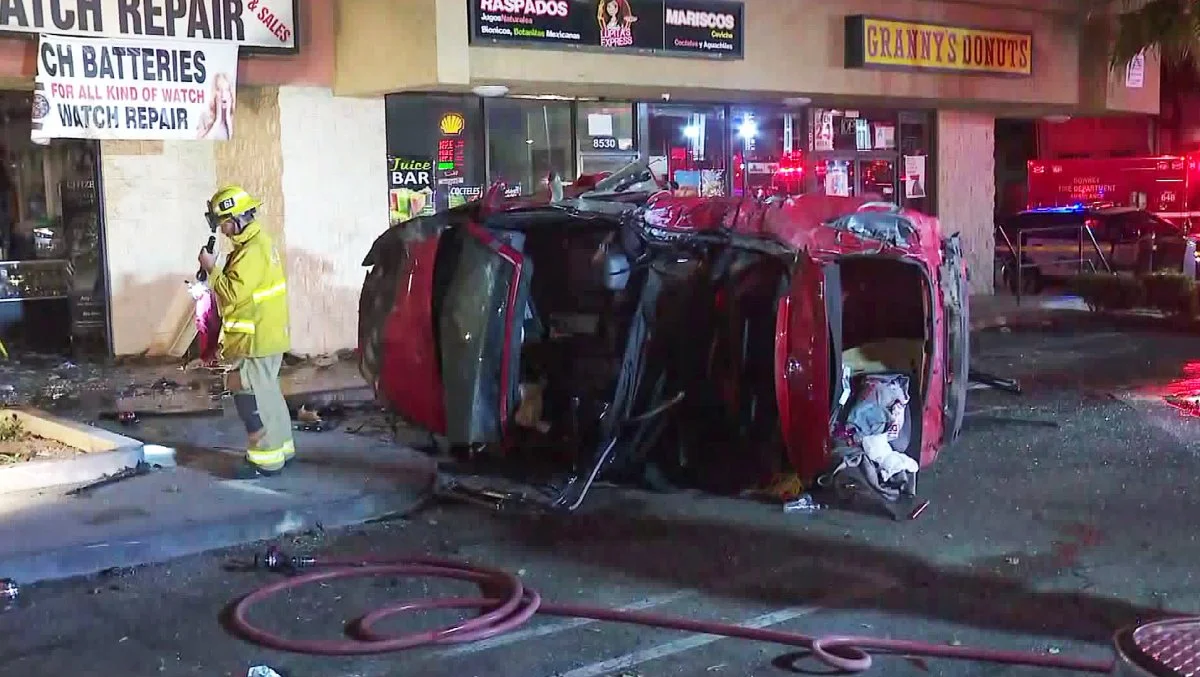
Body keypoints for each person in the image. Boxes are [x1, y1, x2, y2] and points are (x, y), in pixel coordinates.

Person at [198, 185, 293, 478]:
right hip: (265, 336)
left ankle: (266, 460)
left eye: (223, 223)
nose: (223, 230)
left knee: (249, 394)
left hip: (256, 341)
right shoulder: (257, 245)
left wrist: (211, 270)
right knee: (268, 393)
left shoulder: (252, 251)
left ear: (236, 218)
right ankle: (282, 448)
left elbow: (232, 295)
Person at [196, 72, 235, 140]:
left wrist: (228, 119)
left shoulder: (237, 117)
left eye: (226, 90)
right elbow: (200, 143)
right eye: (219, 90)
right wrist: (218, 120)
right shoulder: (205, 116)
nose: (223, 95)